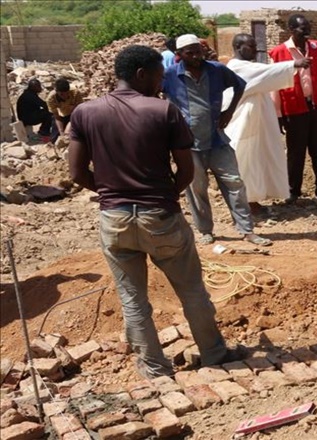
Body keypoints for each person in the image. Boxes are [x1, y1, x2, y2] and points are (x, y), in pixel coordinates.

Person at [67, 45, 240, 379]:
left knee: (133, 300)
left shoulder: (85, 113)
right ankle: (214, 355)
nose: (162, 84)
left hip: (114, 220)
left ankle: (154, 368)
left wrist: (109, 193)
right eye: (159, 76)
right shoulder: (164, 111)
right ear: (141, 74)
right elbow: (186, 171)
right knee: (192, 291)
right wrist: (165, 195)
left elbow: (76, 173)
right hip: (160, 217)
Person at [163, 34, 271, 246]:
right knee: (196, 189)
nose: (196, 55)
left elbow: (239, 86)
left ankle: (247, 230)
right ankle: (205, 230)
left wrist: (228, 112)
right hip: (188, 144)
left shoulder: (216, 70)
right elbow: (152, 94)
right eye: (190, 52)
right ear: (179, 55)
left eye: (198, 50)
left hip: (216, 139)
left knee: (235, 183)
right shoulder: (169, 75)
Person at [224, 34, 302, 215]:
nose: (255, 49)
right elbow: (266, 72)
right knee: (246, 163)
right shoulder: (238, 68)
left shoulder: (248, 68)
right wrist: (293, 65)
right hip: (243, 126)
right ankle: (246, 204)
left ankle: (254, 201)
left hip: (256, 125)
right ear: (238, 47)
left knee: (257, 162)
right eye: (250, 46)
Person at [268, 14, 317, 204]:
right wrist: (278, 114)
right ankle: (293, 192)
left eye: (308, 27)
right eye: (301, 28)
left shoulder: (315, 47)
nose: (306, 31)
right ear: (291, 30)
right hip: (293, 108)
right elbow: (274, 87)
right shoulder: (279, 52)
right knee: (295, 152)